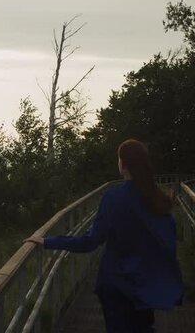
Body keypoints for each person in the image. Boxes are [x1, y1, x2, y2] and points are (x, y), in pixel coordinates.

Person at [23, 139, 183, 333]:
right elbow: (168, 241)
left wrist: (48, 241)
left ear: (123, 164)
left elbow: (90, 241)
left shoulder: (113, 198)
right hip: (145, 285)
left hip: (116, 287)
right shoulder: (158, 199)